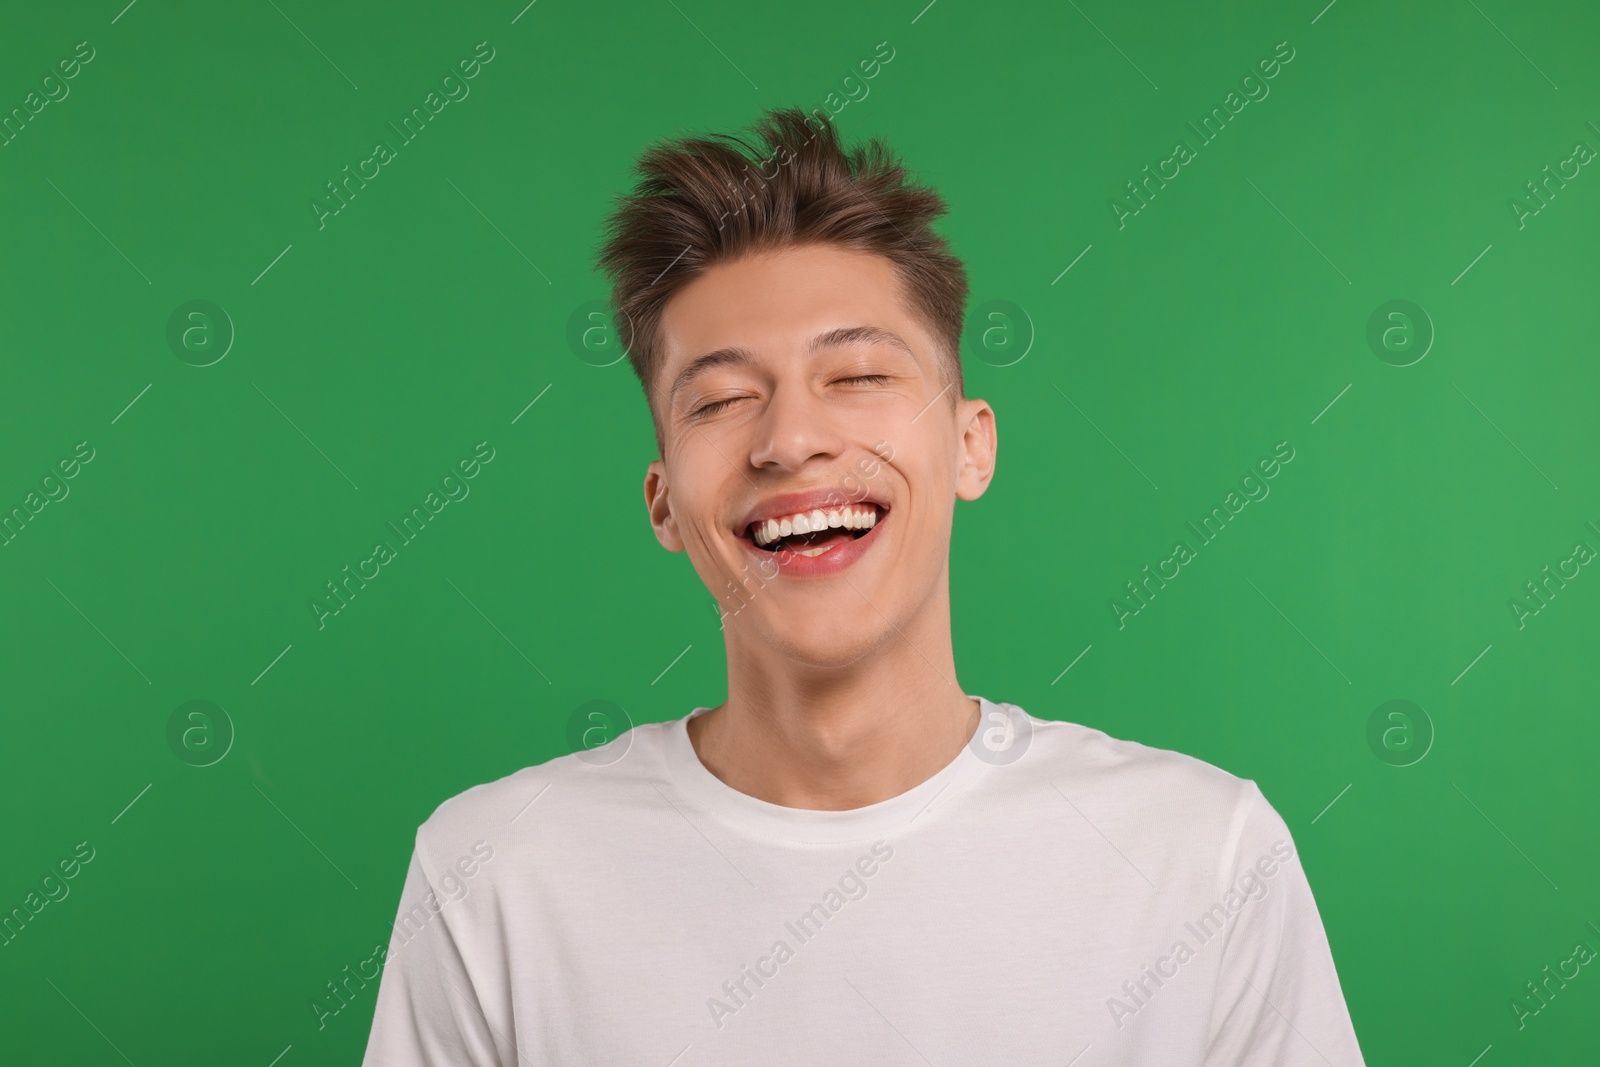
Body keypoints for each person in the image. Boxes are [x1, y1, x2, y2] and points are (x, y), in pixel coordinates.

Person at [360, 106, 1366, 1065]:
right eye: (720, 397)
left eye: (857, 376)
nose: (791, 438)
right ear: (663, 503)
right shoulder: (494, 873)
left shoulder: (1205, 859)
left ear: (970, 446)